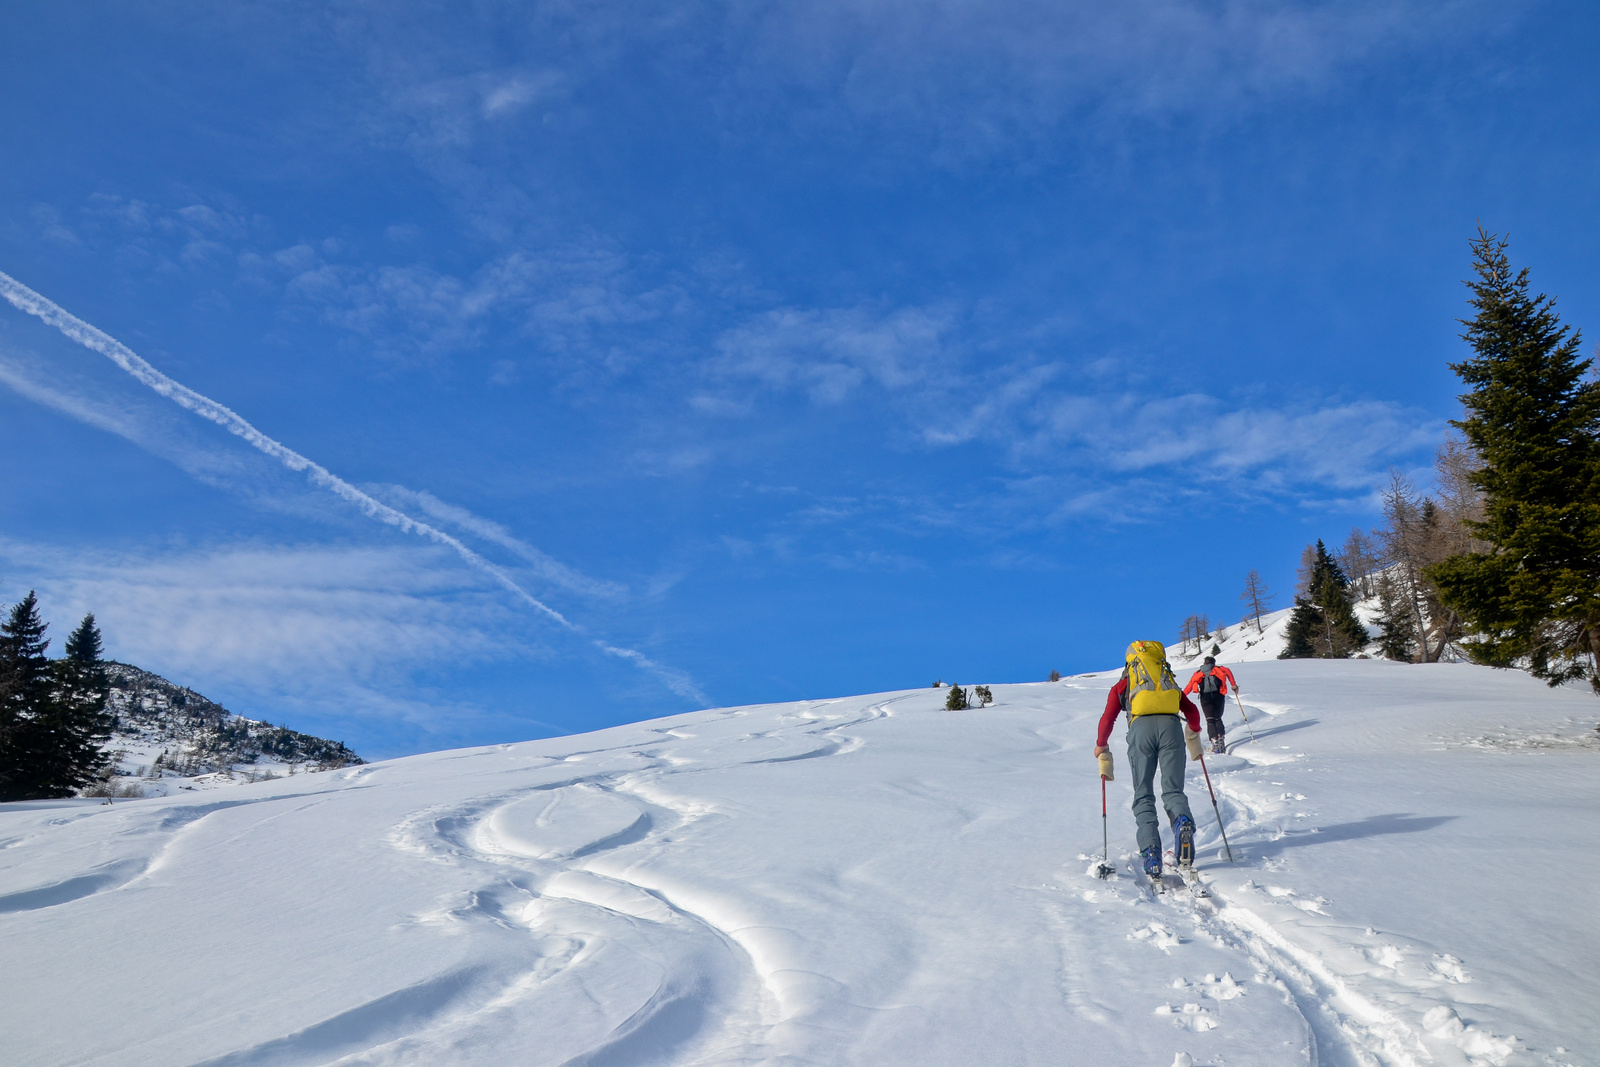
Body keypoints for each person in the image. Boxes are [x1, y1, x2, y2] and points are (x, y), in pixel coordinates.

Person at [1094, 640, 1205, 883]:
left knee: (1143, 793)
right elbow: (1192, 712)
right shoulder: (1166, 679)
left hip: (1140, 731)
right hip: (1171, 729)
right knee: (1173, 790)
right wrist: (1194, 731)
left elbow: (1108, 718)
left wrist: (1101, 744)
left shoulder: (1125, 683)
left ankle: (1151, 852)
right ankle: (1182, 823)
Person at [1183, 655, 1239, 754]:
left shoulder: (1198, 673)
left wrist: (1181, 697)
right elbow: (1228, 672)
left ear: (1204, 663)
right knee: (1218, 718)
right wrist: (1233, 685)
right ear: (1213, 663)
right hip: (1219, 696)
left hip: (1205, 698)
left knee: (1210, 720)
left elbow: (1190, 686)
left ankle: (1215, 742)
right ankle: (1221, 739)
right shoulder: (1220, 669)